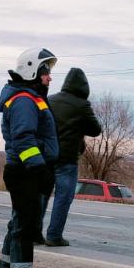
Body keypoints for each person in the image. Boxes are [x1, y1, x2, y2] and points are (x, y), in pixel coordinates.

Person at [0, 47, 59, 268]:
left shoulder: (28, 97)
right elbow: (24, 139)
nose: (49, 78)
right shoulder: (25, 100)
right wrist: (38, 168)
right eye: (46, 72)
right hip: (25, 171)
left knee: (17, 224)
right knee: (24, 227)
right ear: (33, 70)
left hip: (22, 169)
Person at [43, 67, 102, 246]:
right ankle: (53, 236)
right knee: (63, 197)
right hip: (67, 159)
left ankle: (33, 233)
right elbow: (95, 129)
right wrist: (78, 126)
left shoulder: (50, 100)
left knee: (42, 195)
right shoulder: (81, 105)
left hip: (46, 156)